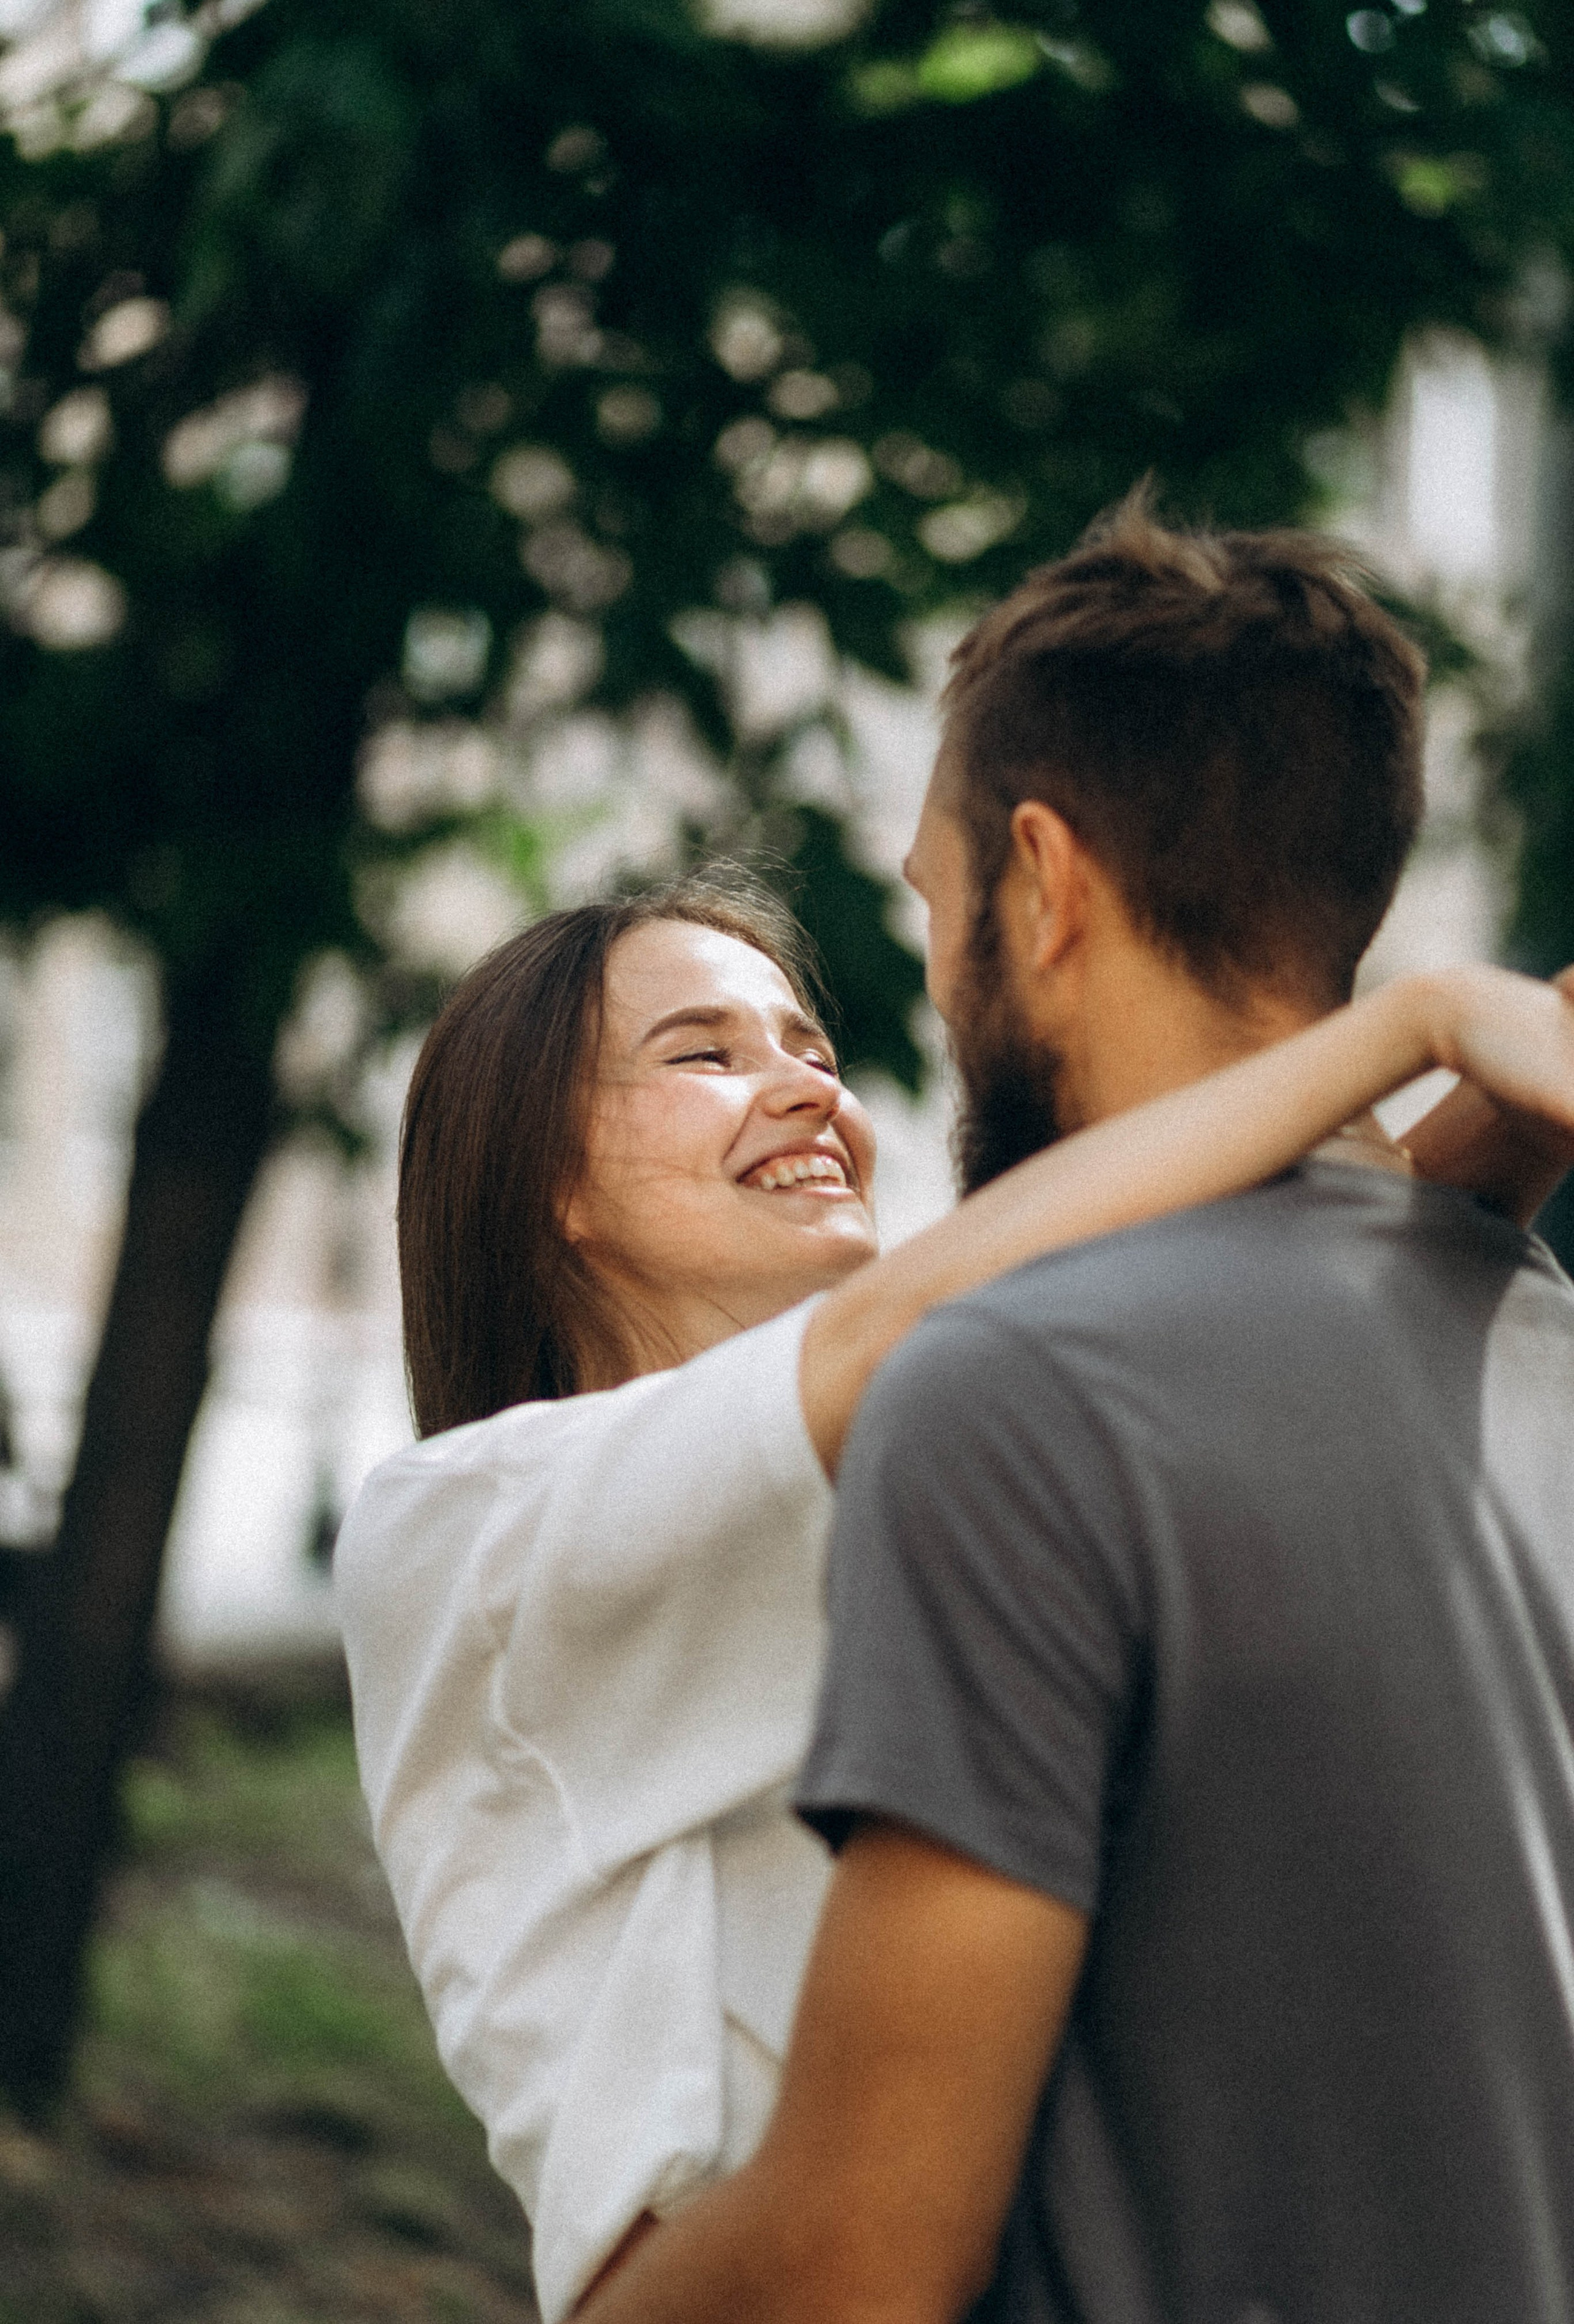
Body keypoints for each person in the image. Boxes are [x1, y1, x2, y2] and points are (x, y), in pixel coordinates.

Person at [334, 508, 1574, 2324]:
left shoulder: (948, 1415)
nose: (808, 1086)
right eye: (705, 1052)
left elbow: (1304, 1267)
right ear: (545, 1190)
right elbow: (982, 1301)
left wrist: (1516, 1123)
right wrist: (1423, 1024)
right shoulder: (469, 1526)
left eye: (811, 1042)